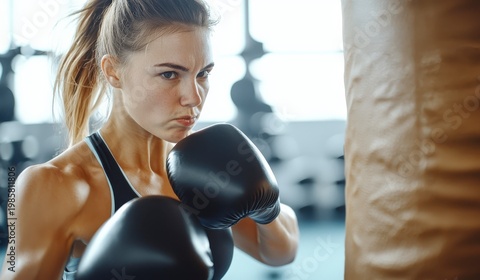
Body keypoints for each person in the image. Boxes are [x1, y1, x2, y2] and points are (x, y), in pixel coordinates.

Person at [0, 0, 299, 279]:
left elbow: (279, 254)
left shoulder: (204, 167)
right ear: (113, 71)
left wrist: (266, 208)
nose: (193, 97)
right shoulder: (56, 185)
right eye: (170, 74)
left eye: (203, 74)